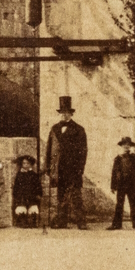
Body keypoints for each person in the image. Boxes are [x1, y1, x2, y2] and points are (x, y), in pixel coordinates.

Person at [45, 96, 89, 230]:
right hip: (59, 168)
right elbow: (49, 149)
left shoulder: (79, 129)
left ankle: (81, 222)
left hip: (73, 168)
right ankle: (62, 221)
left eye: (67, 112)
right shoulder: (54, 129)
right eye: (62, 112)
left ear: (71, 114)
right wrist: (48, 167)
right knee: (61, 195)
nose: (64, 115)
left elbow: (83, 151)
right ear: (59, 114)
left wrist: (80, 169)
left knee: (76, 196)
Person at [107, 136, 135, 231]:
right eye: (124, 145)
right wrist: (113, 186)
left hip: (131, 184)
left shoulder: (134, 158)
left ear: (130, 146)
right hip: (121, 184)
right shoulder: (118, 158)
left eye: (128, 145)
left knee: (133, 204)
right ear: (121, 146)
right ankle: (116, 224)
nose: (126, 146)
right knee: (119, 204)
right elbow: (114, 173)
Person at [12, 154, 42, 228]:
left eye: (27, 163)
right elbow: (16, 185)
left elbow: (38, 185)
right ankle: (22, 221)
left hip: (32, 194)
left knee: (33, 207)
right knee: (21, 207)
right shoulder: (19, 175)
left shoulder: (33, 174)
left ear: (30, 164)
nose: (25, 165)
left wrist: (39, 193)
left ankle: (33, 221)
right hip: (22, 194)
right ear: (22, 164)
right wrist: (16, 194)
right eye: (24, 163)